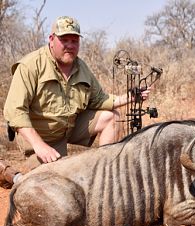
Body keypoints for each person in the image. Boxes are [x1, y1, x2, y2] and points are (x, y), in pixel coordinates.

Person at [0, 16, 150, 188]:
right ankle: (11, 175)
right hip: (40, 138)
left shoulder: (81, 67)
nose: (70, 45)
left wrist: (129, 98)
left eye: (74, 40)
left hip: (69, 128)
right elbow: (14, 112)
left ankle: (106, 175)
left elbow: (99, 99)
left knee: (111, 117)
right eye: (64, 40)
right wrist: (40, 145)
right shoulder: (30, 65)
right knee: (41, 186)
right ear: (51, 39)